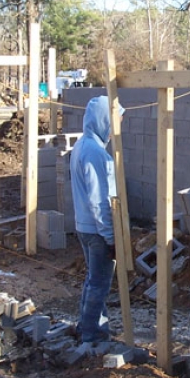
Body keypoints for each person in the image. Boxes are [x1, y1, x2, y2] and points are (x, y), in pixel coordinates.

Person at [70, 95, 123, 343]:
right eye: (114, 122)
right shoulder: (94, 153)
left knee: (93, 280)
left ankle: (87, 327)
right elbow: (99, 199)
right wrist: (110, 237)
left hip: (85, 226)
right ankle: (92, 335)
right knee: (99, 284)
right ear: (103, 120)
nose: (115, 130)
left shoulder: (83, 145)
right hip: (96, 230)